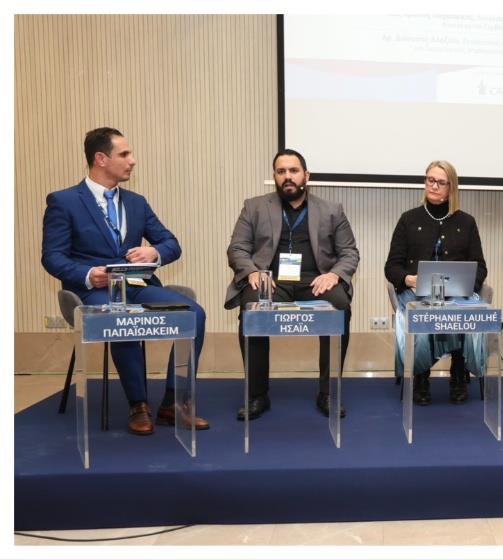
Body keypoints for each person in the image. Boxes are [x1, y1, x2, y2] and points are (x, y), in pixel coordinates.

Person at [41, 127, 209, 435]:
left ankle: (174, 402)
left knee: (194, 314)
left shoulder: (136, 202)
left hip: (138, 286)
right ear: (101, 159)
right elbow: (52, 257)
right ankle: (138, 404)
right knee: (122, 316)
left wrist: (154, 251)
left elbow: (171, 244)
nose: (133, 160)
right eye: (125, 154)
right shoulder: (64, 201)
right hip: (94, 291)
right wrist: (88, 275)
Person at [224, 149, 359, 421]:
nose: (288, 176)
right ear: (274, 176)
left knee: (340, 306)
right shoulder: (254, 207)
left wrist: (334, 275)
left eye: (293, 171)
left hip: (316, 281)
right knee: (252, 308)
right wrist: (252, 272)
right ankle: (257, 395)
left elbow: (349, 252)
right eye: (281, 171)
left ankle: (328, 392)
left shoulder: (331, 210)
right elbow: (237, 248)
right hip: (271, 281)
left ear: (306, 176)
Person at [384, 160, 488, 405]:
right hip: (416, 292)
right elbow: (392, 267)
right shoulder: (408, 219)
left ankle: (459, 372)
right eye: (430, 180)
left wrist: (466, 285)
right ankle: (420, 376)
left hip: (456, 293)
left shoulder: (466, 222)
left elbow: (480, 267)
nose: (433, 186)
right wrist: (407, 278)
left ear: (451, 187)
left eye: (441, 182)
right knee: (419, 312)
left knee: (462, 310)